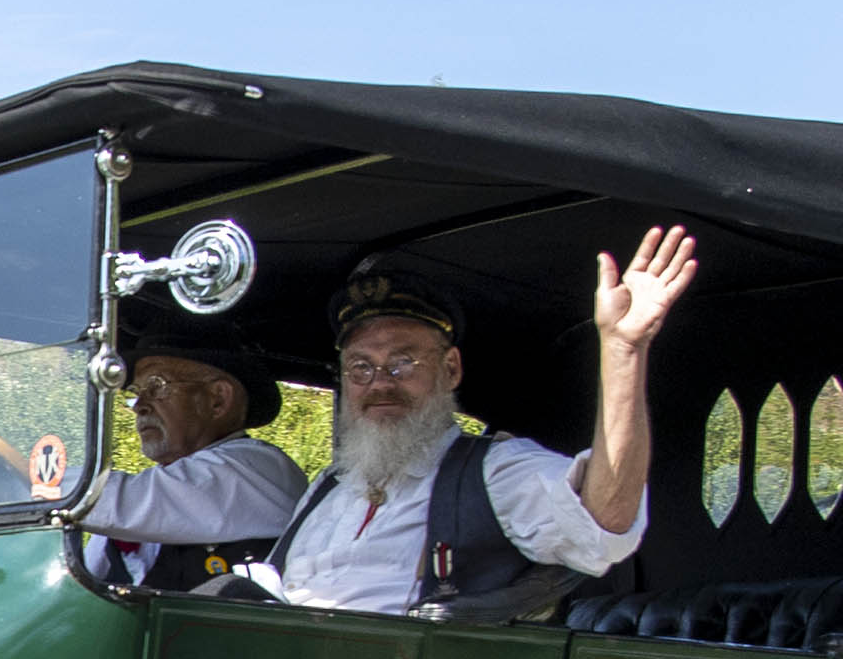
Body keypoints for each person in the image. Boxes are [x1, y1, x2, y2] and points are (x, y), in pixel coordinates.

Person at [269, 230, 698, 618]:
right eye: (360, 367)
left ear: (451, 370)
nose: (380, 383)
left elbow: (605, 524)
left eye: (403, 363)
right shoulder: (329, 485)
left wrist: (624, 349)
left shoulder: (494, 472)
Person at [78, 321, 307, 591]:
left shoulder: (259, 468)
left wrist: (32, 480)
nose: (139, 406)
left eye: (156, 386)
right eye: (136, 393)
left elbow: (115, 503)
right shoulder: (152, 497)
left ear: (217, 399)